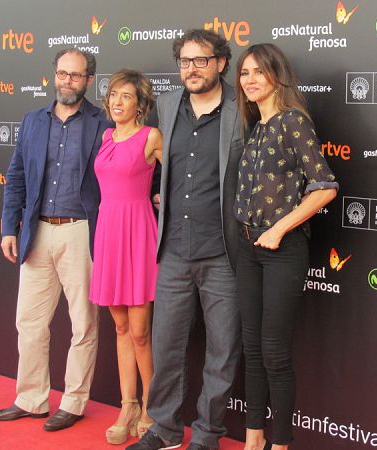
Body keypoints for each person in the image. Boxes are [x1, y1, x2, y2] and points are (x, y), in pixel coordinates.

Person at [127, 29, 243, 450]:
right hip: (173, 248)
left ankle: (208, 435)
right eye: (185, 62)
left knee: (222, 351)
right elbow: (156, 163)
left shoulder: (241, 107)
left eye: (200, 60)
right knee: (168, 346)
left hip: (224, 253)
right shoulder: (167, 104)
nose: (191, 69)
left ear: (221, 63)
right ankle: (164, 429)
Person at [0, 48, 112, 432]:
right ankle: (31, 398)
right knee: (29, 321)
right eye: (62, 73)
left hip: (81, 231)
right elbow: (16, 178)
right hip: (37, 230)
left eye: (75, 75)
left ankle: (75, 401)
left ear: (89, 80)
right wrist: (10, 227)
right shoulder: (32, 121)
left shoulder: (103, 123)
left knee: (84, 324)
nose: (67, 81)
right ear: (54, 75)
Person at [234, 43, 338, 450]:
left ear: (278, 74)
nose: (251, 80)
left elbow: (325, 187)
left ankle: (280, 444)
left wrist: (279, 229)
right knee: (253, 348)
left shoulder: (293, 121)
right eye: (244, 73)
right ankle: (252, 440)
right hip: (247, 250)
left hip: (282, 250)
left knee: (274, 351)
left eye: (259, 71)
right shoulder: (256, 127)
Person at [89, 69, 162, 445]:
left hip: (138, 235)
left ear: (140, 104)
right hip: (108, 235)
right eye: (113, 95)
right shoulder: (105, 137)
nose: (117, 102)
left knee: (140, 331)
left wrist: (163, 197)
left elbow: (182, 174)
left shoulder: (151, 137)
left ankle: (152, 407)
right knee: (119, 328)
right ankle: (128, 405)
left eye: (126, 96)